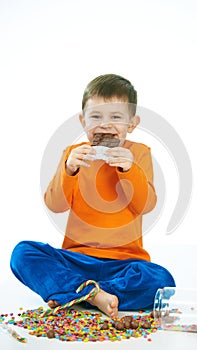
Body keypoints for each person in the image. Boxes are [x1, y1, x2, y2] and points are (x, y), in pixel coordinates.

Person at [10, 74, 175, 319]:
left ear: (132, 123)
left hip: (125, 263)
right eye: (96, 116)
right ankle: (94, 294)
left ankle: (76, 293)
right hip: (76, 260)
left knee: (162, 280)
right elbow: (55, 205)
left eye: (116, 117)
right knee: (22, 253)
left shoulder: (138, 154)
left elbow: (146, 205)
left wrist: (130, 171)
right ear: (82, 121)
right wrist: (69, 170)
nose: (105, 125)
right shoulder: (74, 154)